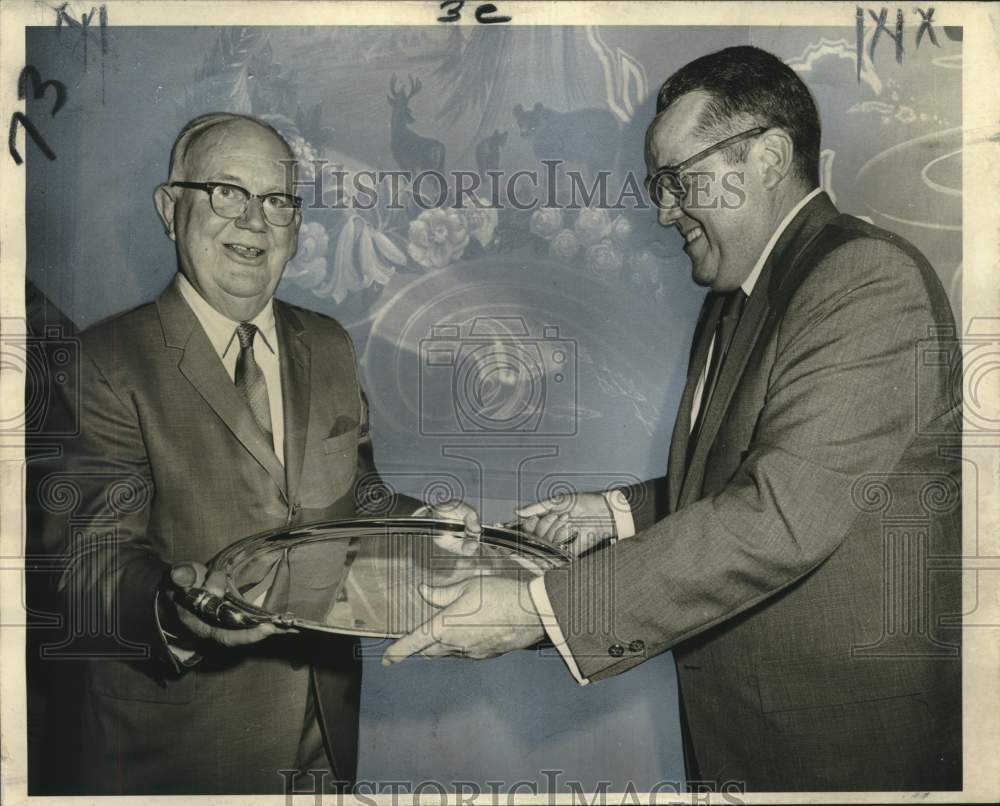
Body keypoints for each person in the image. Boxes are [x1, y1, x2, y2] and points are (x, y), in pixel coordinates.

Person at [383, 46, 963, 791]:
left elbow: (777, 516)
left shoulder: (865, 281)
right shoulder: (737, 294)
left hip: (842, 745)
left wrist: (537, 609)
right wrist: (616, 511)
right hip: (749, 737)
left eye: (677, 180)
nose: (662, 212)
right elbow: (768, 472)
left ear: (769, 156)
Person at [39, 113, 421, 795]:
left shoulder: (328, 342)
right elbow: (88, 560)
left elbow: (356, 496)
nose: (253, 222)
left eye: (277, 202)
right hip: (173, 753)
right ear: (169, 207)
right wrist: (172, 606)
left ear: (296, 227)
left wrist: (432, 525)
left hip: (321, 736)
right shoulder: (103, 361)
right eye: (225, 192)